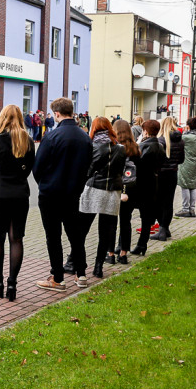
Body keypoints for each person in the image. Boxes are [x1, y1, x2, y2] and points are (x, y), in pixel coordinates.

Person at [33, 98, 93, 292]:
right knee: (75, 235)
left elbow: (38, 167)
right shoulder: (85, 137)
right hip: (73, 194)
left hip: (51, 194)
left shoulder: (52, 137)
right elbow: (89, 167)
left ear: (57, 114)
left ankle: (58, 278)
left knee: (53, 236)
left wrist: (44, 184)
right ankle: (81, 274)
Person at [0, 105, 35, 301]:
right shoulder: (27, 140)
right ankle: (12, 284)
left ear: (2, 118)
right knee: (16, 238)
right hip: (20, 194)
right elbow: (29, 168)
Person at [81, 117, 126, 281]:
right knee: (105, 231)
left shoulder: (92, 146)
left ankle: (78, 262)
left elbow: (89, 169)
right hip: (113, 191)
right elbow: (120, 172)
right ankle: (98, 267)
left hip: (95, 188)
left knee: (82, 229)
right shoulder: (120, 148)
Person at [149, 117, 185, 242]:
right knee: (168, 202)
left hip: (161, 174)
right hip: (173, 174)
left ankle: (162, 230)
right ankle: (165, 228)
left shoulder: (160, 140)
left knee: (158, 202)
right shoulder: (180, 140)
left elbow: (155, 160)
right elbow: (181, 160)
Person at [131, 119, 164, 256]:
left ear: (145, 131)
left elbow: (136, 164)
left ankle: (125, 245)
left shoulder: (143, 146)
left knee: (129, 215)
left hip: (139, 185)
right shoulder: (160, 146)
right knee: (146, 218)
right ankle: (142, 244)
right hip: (153, 184)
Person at [112, 120, 140, 265]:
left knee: (111, 221)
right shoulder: (136, 148)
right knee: (125, 221)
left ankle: (110, 252)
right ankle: (123, 253)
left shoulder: (115, 148)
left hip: (116, 188)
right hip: (131, 189)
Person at [175, 117, 196, 218]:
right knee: (193, 185)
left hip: (186, 162)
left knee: (185, 185)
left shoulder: (185, 137)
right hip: (195, 161)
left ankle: (185, 208)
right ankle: (192, 209)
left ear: (188, 126)